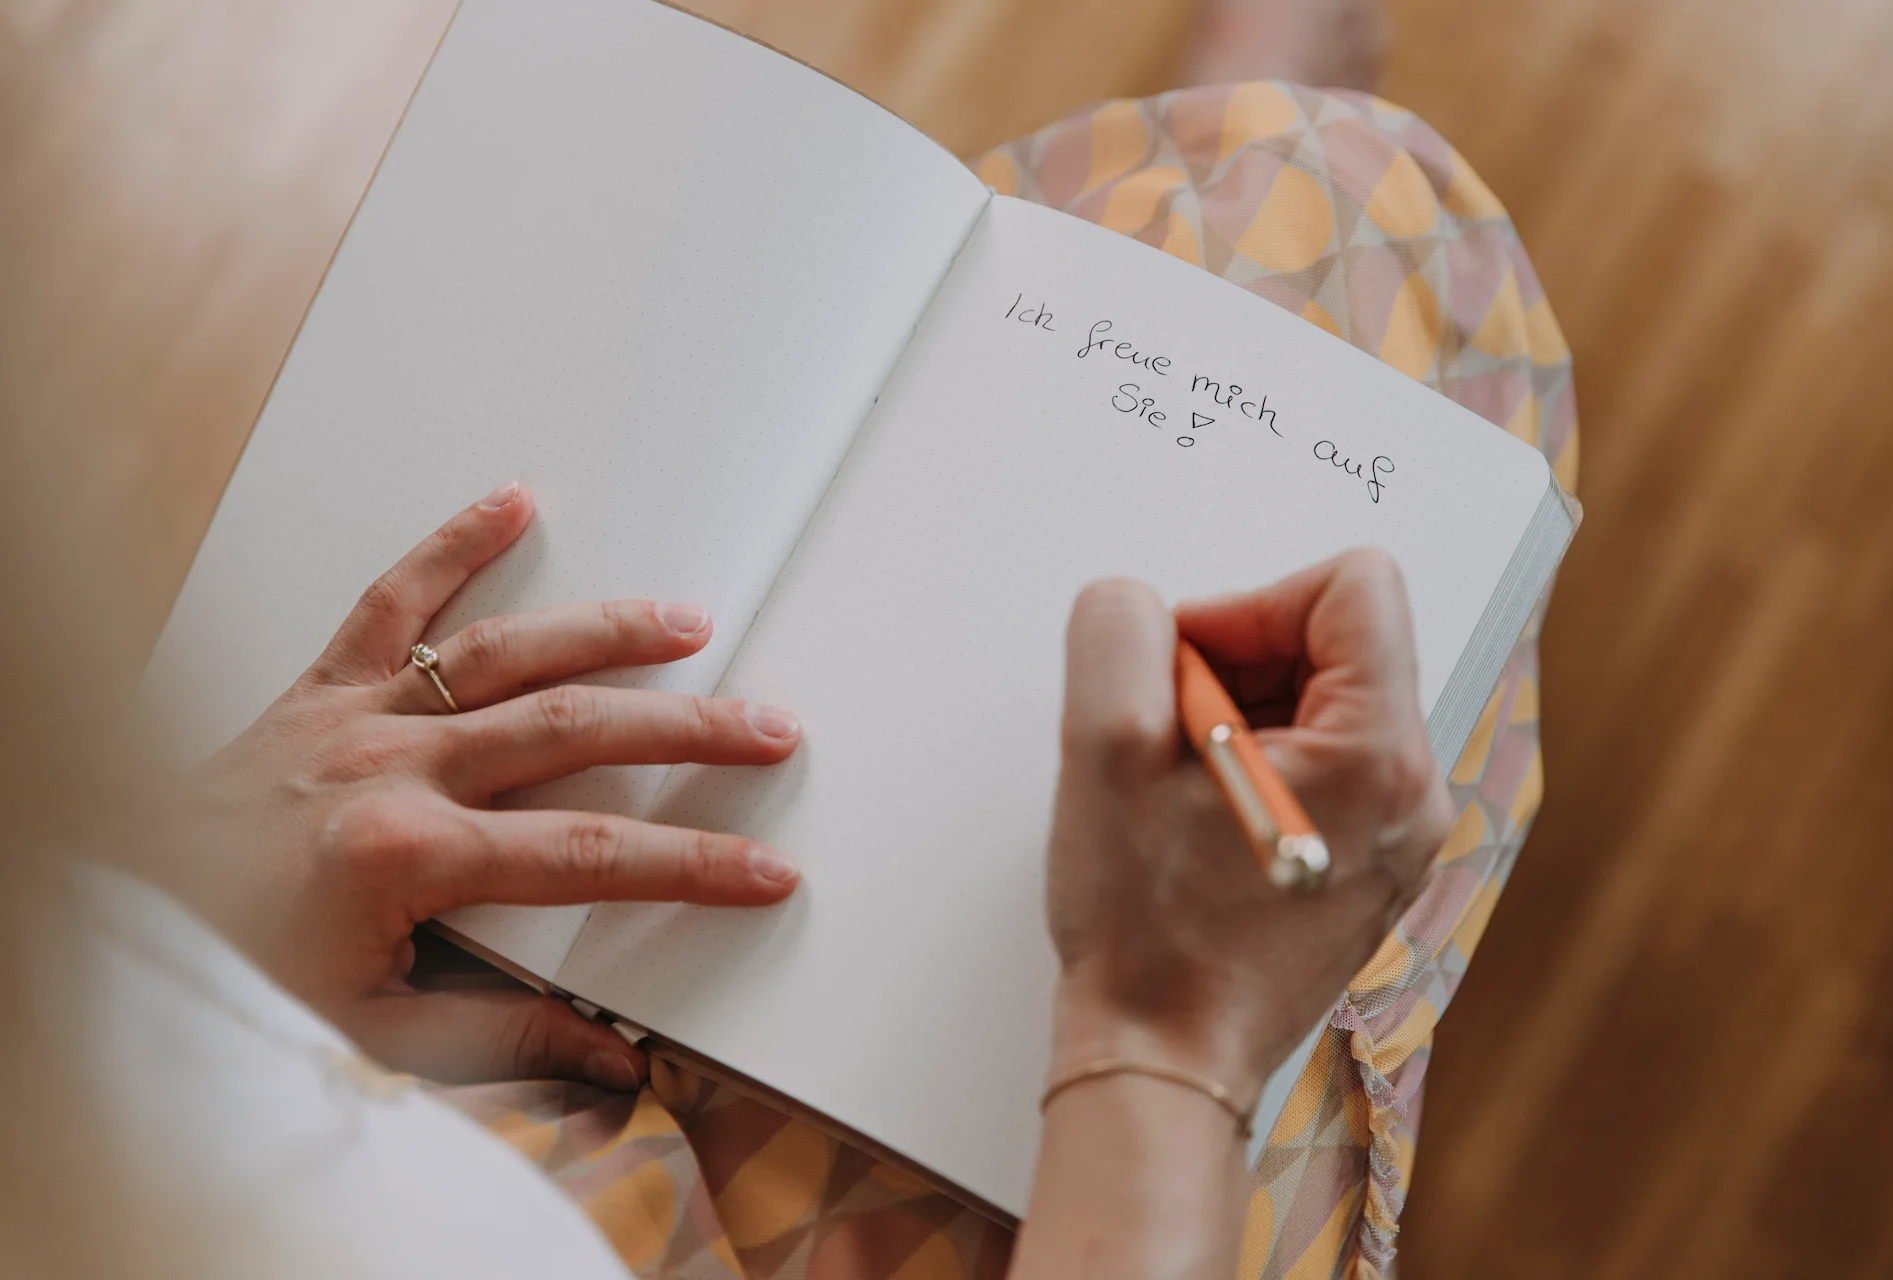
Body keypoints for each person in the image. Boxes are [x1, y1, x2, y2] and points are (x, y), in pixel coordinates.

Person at [0, 0, 1578, 1275]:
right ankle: (1238, 130)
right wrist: (1164, 1048)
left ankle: (1203, 161)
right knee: (1349, 202)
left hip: (274, 1070)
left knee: (1231, 209)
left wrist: (158, 920)